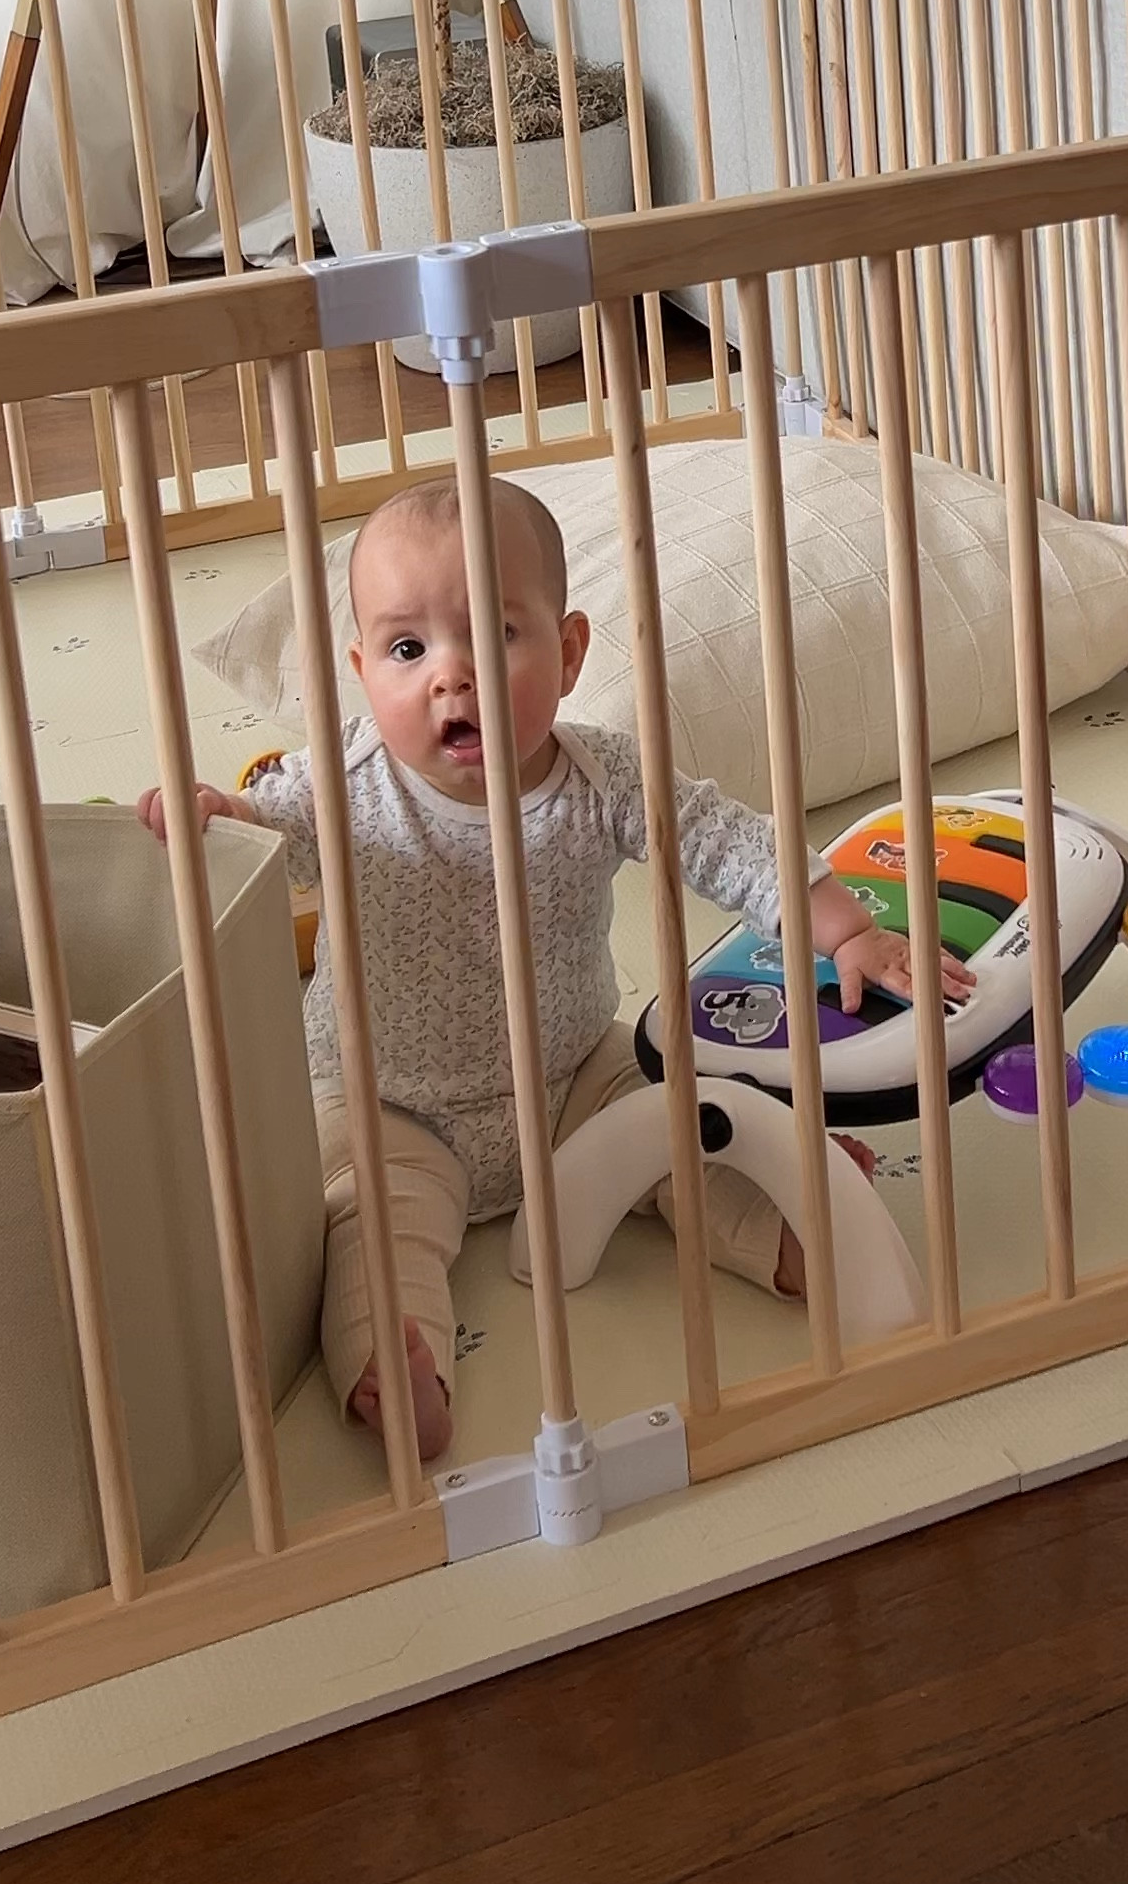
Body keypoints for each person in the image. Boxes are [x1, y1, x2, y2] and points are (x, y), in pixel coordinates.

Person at [139, 472, 970, 1463]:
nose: (453, 676)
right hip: (386, 1096)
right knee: (361, 1218)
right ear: (363, 674)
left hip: (577, 1067)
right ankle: (395, 1368)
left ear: (567, 651)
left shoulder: (603, 777)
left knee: (685, 1124)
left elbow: (723, 841)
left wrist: (844, 931)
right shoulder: (342, 785)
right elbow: (262, 837)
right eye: (409, 650)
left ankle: (790, 1234)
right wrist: (213, 822)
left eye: (495, 635)